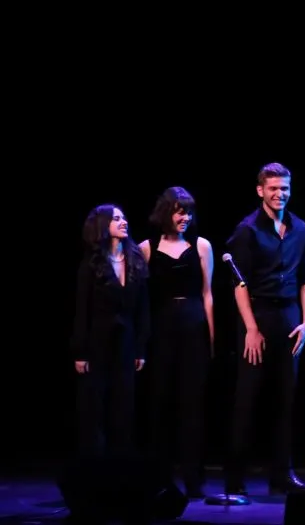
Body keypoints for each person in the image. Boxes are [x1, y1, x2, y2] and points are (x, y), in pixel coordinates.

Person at [224, 163, 305, 496]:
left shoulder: (301, 229)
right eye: (274, 188)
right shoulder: (247, 230)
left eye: (285, 188)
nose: (280, 194)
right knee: (247, 400)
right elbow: (238, 282)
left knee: (285, 399)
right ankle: (235, 477)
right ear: (261, 190)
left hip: (289, 317)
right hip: (257, 315)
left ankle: (282, 474)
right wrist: (250, 327)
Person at [139, 187, 214, 498]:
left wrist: (212, 339)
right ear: (166, 212)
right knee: (159, 404)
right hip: (162, 327)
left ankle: (193, 478)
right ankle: (159, 476)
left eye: (189, 212)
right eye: (179, 211)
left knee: (192, 405)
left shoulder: (201, 245)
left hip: (194, 324)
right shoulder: (146, 248)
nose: (185, 217)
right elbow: (141, 299)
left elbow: (208, 294)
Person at [71, 204, 150, 457]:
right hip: (97, 343)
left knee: (124, 406)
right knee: (94, 406)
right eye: (116, 218)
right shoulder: (92, 265)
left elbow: (143, 308)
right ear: (103, 225)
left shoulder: (135, 260)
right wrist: (80, 352)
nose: (124, 221)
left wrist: (140, 347)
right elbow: (82, 309)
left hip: (125, 342)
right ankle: (94, 466)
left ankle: (121, 465)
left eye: (124, 217)